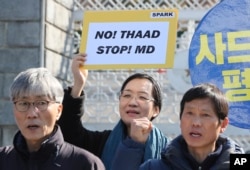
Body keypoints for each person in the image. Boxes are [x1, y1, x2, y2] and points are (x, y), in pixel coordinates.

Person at [58, 53, 170, 170]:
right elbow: (69, 133)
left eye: (142, 97)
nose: (132, 102)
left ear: (156, 109)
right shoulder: (103, 142)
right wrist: (78, 85)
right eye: (127, 95)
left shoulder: (170, 152)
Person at [112, 83, 245, 170]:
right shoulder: (155, 167)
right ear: (180, 120)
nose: (196, 122)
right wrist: (133, 145)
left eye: (205, 115)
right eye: (189, 113)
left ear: (223, 124)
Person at [0, 68, 105, 170]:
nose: (31, 114)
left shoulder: (84, 164)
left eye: (42, 103)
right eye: (23, 103)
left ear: (59, 110)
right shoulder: (3, 160)